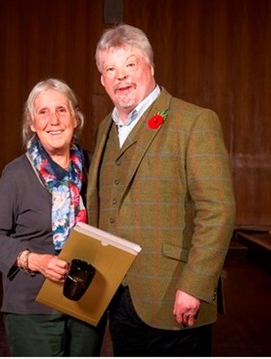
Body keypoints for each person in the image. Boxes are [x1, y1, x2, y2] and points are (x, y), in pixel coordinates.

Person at [86, 24, 236, 356]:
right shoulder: (103, 130)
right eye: (110, 69)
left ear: (150, 68)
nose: (121, 76)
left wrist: (194, 286)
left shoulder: (193, 121)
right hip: (119, 298)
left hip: (175, 296)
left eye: (130, 65)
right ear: (102, 80)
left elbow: (218, 212)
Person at [0, 78, 105, 356]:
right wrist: (34, 261)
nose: (54, 120)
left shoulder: (95, 169)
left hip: (87, 302)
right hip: (32, 308)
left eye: (61, 110)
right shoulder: (16, 174)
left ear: (75, 117)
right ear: (32, 123)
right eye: (43, 112)